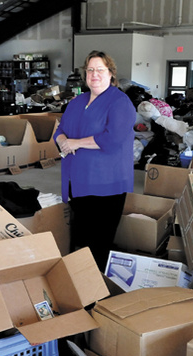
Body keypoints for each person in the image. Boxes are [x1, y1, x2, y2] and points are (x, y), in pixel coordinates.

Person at [54, 50, 135, 269]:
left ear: (111, 74)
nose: (94, 74)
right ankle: (79, 286)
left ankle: (96, 292)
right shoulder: (77, 101)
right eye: (90, 69)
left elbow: (113, 138)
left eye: (100, 69)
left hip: (105, 185)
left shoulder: (119, 102)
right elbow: (60, 129)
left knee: (98, 245)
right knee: (80, 239)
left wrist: (76, 143)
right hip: (77, 182)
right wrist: (62, 139)